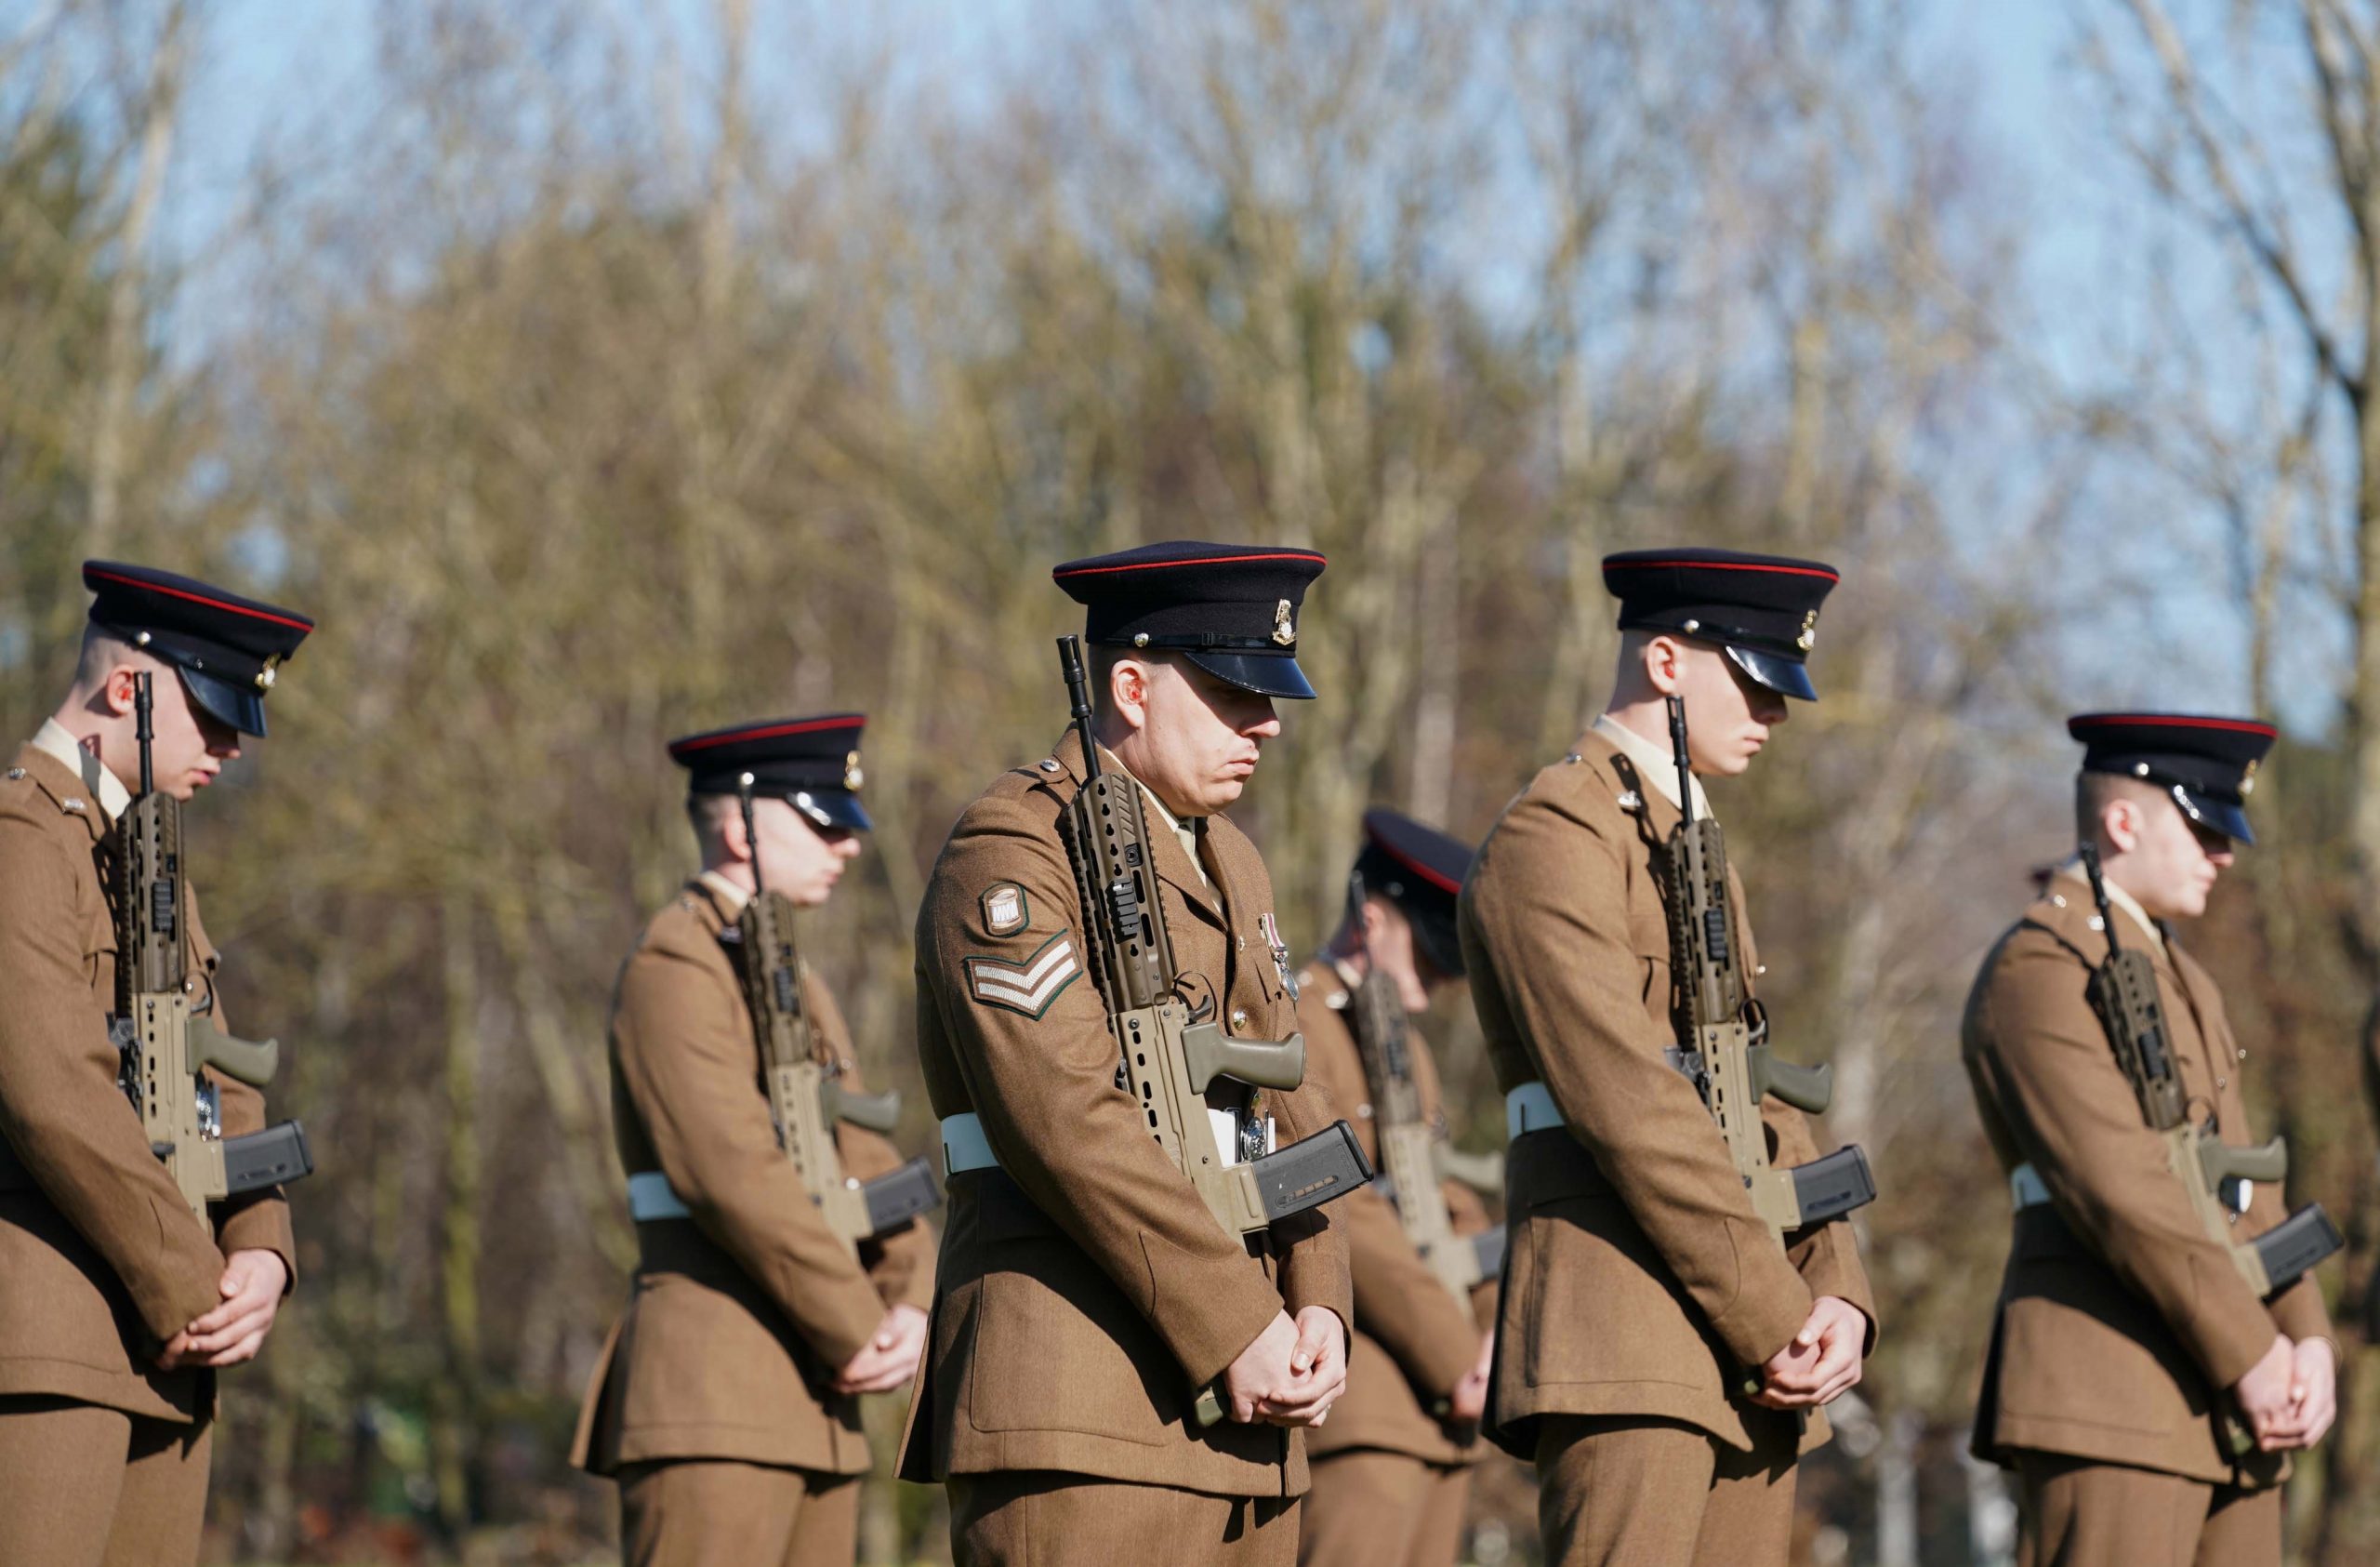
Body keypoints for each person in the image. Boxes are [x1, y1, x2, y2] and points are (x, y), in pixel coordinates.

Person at [899, 540, 1353, 1566]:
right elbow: (1064, 1117)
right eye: (1235, 692)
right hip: (1086, 1404)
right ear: (1131, 686)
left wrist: (1319, 1294)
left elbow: (1290, 1093)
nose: (1267, 723)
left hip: (1251, 1416)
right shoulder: (1012, 850)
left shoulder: (1229, 856)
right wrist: (1241, 1322)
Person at [1458, 546, 1876, 1566]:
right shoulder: (1558, 833)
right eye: (1753, 681)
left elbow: (1754, 1090)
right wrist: (1777, 1307)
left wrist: (1837, 1287)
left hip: (1744, 1345)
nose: (1773, 713)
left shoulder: (1688, 843)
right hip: (1627, 1338)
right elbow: (1629, 1103)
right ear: (1663, 662)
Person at [1963, 711, 2337, 1567]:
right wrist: (2256, 1349)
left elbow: (2247, 1184)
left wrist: (2306, 1336)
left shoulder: (2187, 979)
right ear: (2123, 823)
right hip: (2112, 1392)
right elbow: (2119, 1189)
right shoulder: (2041, 969)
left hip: (2236, 1405)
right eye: (2204, 826)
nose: (2225, 853)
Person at [0, 560, 311, 1564]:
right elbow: (51, 1090)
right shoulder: (19, 842)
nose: (232, 745)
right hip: (47, 1341)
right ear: (127, 688)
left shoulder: (148, 862)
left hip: (166, 1347)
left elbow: (219, 1076)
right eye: (213, 714)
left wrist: (263, 1246)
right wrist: (192, 1280)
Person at [573, 712, 935, 1567]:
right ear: (738, 827)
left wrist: (911, 1293)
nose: (846, 845)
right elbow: (727, 1169)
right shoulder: (678, 964)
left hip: (816, 1404)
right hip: (717, 1392)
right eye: (820, 820)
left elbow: (863, 1159)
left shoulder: (791, 980)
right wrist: (856, 1322)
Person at [1294, 809, 1498, 1567]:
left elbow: (1446, 1196)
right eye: (1429, 957)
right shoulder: (1297, 1023)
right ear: (1373, 914)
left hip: (1445, 1415)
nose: (1434, 987)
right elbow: (1338, 1199)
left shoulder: (1405, 1047)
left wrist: (1490, 1330)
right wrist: (1454, 1352)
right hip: (1365, 1405)